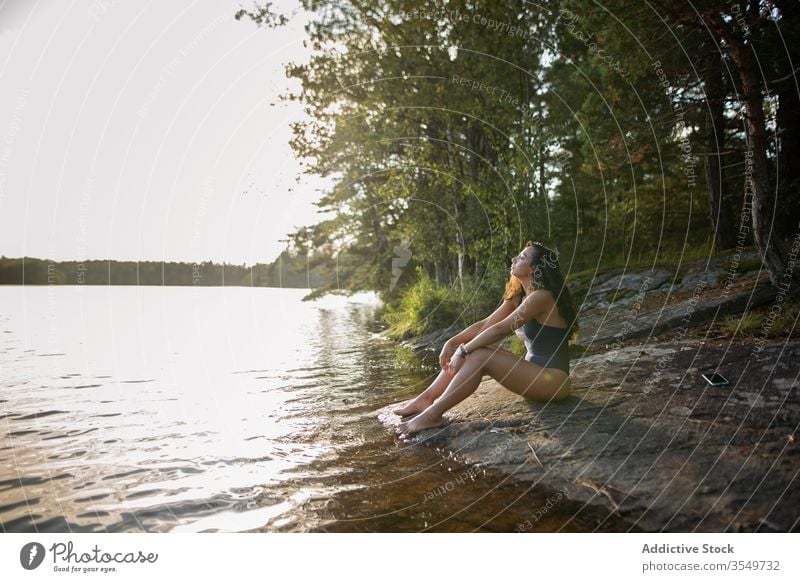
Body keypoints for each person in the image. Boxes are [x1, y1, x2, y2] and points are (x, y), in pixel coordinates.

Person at [394, 240, 579, 440]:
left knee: (480, 353)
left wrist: (462, 351)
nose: (514, 259)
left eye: (523, 257)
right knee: (478, 348)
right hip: (532, 376)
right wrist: (452, 342)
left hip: (553, 382)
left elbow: (501, 329)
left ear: (534, 269)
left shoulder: (541, 297)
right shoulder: (520, 297)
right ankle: (426, 399)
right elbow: (485, 325)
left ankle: (431, 416)